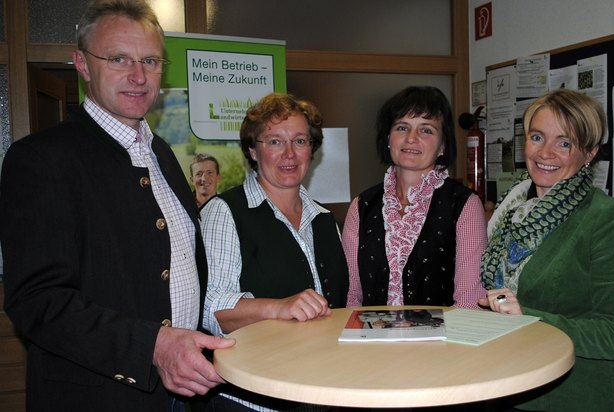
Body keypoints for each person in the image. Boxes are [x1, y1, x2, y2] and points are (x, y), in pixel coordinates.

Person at [0, 1, 234, 411]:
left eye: (150, 60)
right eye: (119, 59)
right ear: (82, 64)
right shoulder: (41, 159)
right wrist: (153, 346)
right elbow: (38, 301)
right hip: (101, 395)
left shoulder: (161, 152)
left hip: (179, 390)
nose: (139, 76)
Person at [479, 89, 614, 411]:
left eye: (564, 143)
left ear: (590, 153)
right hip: (509, 385)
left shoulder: (609, 218)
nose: (545, 152)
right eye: (537, 137)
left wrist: (528, 317)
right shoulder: (511, 211)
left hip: (580, 397)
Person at [200, 92, 348, 410]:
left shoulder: (325, 220)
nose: (289, 154)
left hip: (318, 392)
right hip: (252, 402)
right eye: (275, 142)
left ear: (313, 149)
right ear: (253, 150)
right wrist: (278, 308)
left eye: (299, 141)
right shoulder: (225, 211)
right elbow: (213, 311)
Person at [341, 86, 487, 309]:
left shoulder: (464, 204)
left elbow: (469, 301)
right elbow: (350, 296)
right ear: (388, 138)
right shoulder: (362, 206)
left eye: (426, 130)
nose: (411, 138)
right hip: (370, 341)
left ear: (442, 146)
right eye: (402, 127)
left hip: (443, 341)